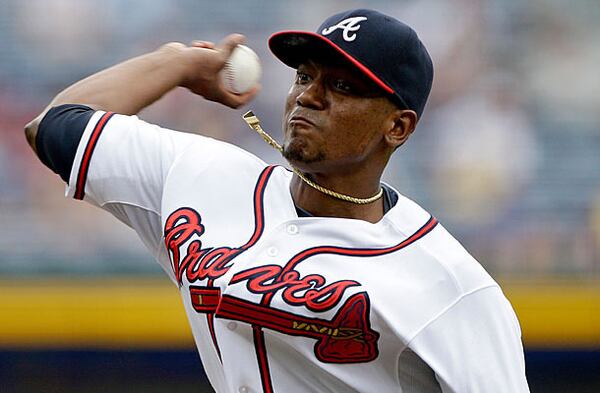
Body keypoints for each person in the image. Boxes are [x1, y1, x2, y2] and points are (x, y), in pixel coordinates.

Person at [24, 8, 529, 393]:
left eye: (343, 86)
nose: (309, 96)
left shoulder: (454, 290)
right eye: (306, 76)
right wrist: (175, 63)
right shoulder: (200, 174)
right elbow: (54, 125)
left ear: (397, 127)